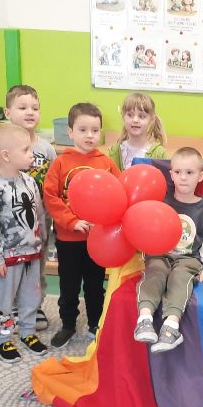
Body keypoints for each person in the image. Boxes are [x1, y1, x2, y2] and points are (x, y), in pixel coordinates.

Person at [43, 103, 120, 348]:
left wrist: (105, 221)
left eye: (95, 130)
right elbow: (51, 197)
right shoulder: (61, 162)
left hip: (97, 241)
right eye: (83, 129)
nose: (89, 135)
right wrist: (72, 221)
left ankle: (95, 323)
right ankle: (68, 324)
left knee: (95, 285)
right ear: (70, 131)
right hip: (69, 239)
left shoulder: (106, 163)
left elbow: (119, 195)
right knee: (69, 285)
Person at [0, 85, 56, 331]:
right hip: (10, 224)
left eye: (35, 108)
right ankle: (12, 307)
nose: (30, 112)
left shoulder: (47, 149)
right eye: (22, 107)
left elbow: (53, 183)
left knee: (36, 265)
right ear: (8, 113)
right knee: (13, 266)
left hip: (39, 220)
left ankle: (34, 306)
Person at [134, 147, 203, 353]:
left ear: (200, 176)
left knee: (180, 277)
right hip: (160, 254)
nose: (183, 177)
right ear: (171, 175)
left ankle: (171, 326)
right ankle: (144, 319)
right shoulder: (163, 200)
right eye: (178, 172)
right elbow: (148, 228)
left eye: (189, 172)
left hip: (188, 259)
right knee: (155, 272)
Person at [0, 123, 48, 363]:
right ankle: (3, 338)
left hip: (32, 252)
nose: (32, 155)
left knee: (31, 296)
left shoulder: (29, 181)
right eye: (26, 150)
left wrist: (42, 241)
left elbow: (39, 213)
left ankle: (28, 332)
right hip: (7, 257)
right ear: (6, 155)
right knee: (4, 300)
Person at [108, 92, 169, 170]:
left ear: (152, 120)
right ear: (123, 117)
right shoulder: (115, 151)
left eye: (141, 116)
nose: (135, 120)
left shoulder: (159, 153)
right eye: (130, 115)